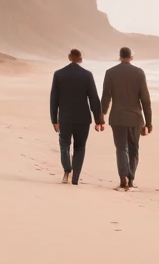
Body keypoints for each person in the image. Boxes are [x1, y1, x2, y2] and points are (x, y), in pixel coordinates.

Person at [100, 47, 153, 191]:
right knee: (133, 149)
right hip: (135, 118)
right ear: (131, 57)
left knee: (121, 148)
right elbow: (145, 100)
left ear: (119, 56)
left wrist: (101, 116)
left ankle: (123, 176)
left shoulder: (110, 73)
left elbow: (106, 97)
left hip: (117, 117)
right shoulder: (139, 73)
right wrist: (149, 122)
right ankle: (131, 178)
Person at [49, 49, 104, 185]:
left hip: (65, 118)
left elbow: (53, 99)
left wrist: (54, 120)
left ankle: (67, 170)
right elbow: (94, 99)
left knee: (64, 145)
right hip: (83, 119)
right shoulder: (87, 75)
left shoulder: (59, 74)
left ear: (69, 57)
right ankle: (75, 178)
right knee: (80, 147)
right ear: (80, 59)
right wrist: (99, 120)